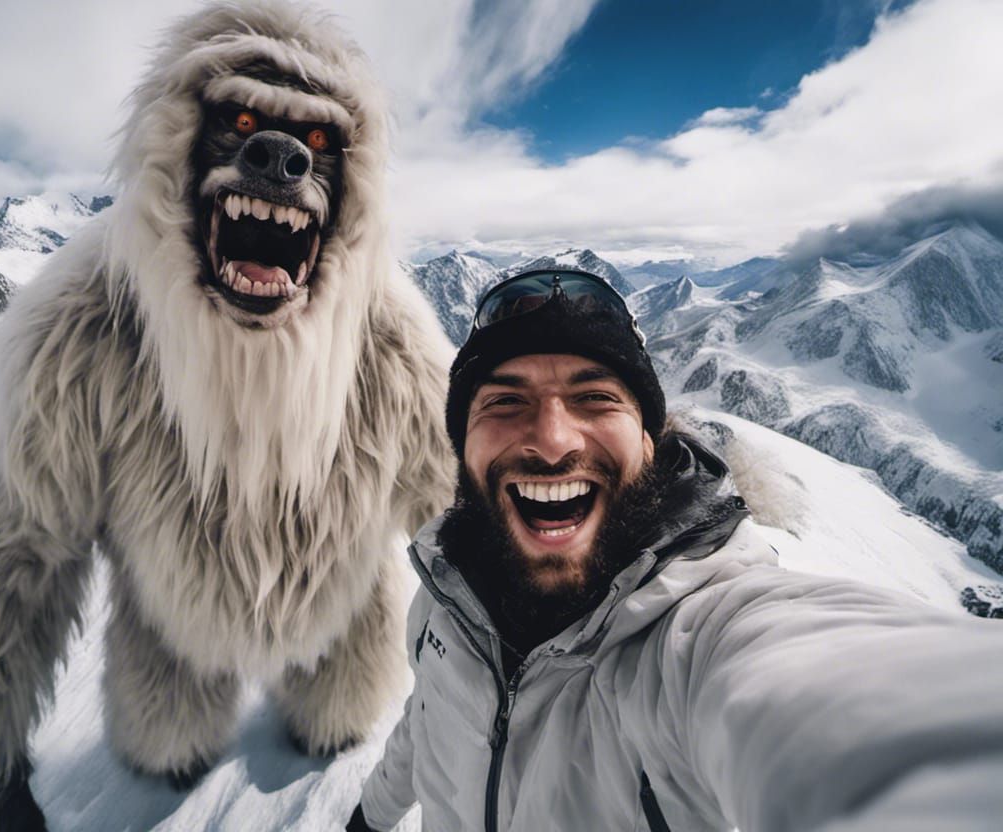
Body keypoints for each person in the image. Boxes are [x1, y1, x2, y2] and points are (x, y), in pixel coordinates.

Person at [345, 269, 1003, 832]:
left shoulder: (697, 638)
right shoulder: (446, 596)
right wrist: (370, 818)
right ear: (463, 445)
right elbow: (429, 717)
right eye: (505, 401)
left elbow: (834, 695)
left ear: (650, 439)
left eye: (595, 397)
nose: (550, 440)